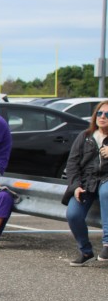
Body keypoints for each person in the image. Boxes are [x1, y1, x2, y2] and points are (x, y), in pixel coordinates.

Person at [64, 100, 108, 265]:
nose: (102, 117)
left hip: (106, 180)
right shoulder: (85, 136)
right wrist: (75, 186)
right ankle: (86, 251)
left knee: (106, 192)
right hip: (86, 182)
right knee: (73, 215)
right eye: (99, 113)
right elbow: (72, 164)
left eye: (107, 114)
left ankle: (107, 244)